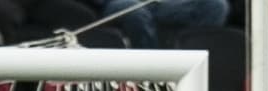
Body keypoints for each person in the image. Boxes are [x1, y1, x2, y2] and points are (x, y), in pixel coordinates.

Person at [97, 0, 228, 49]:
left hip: (163, 5)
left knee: (216, 5)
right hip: (122, 3)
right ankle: (153, 69)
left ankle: (192, 65)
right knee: (135, 11)